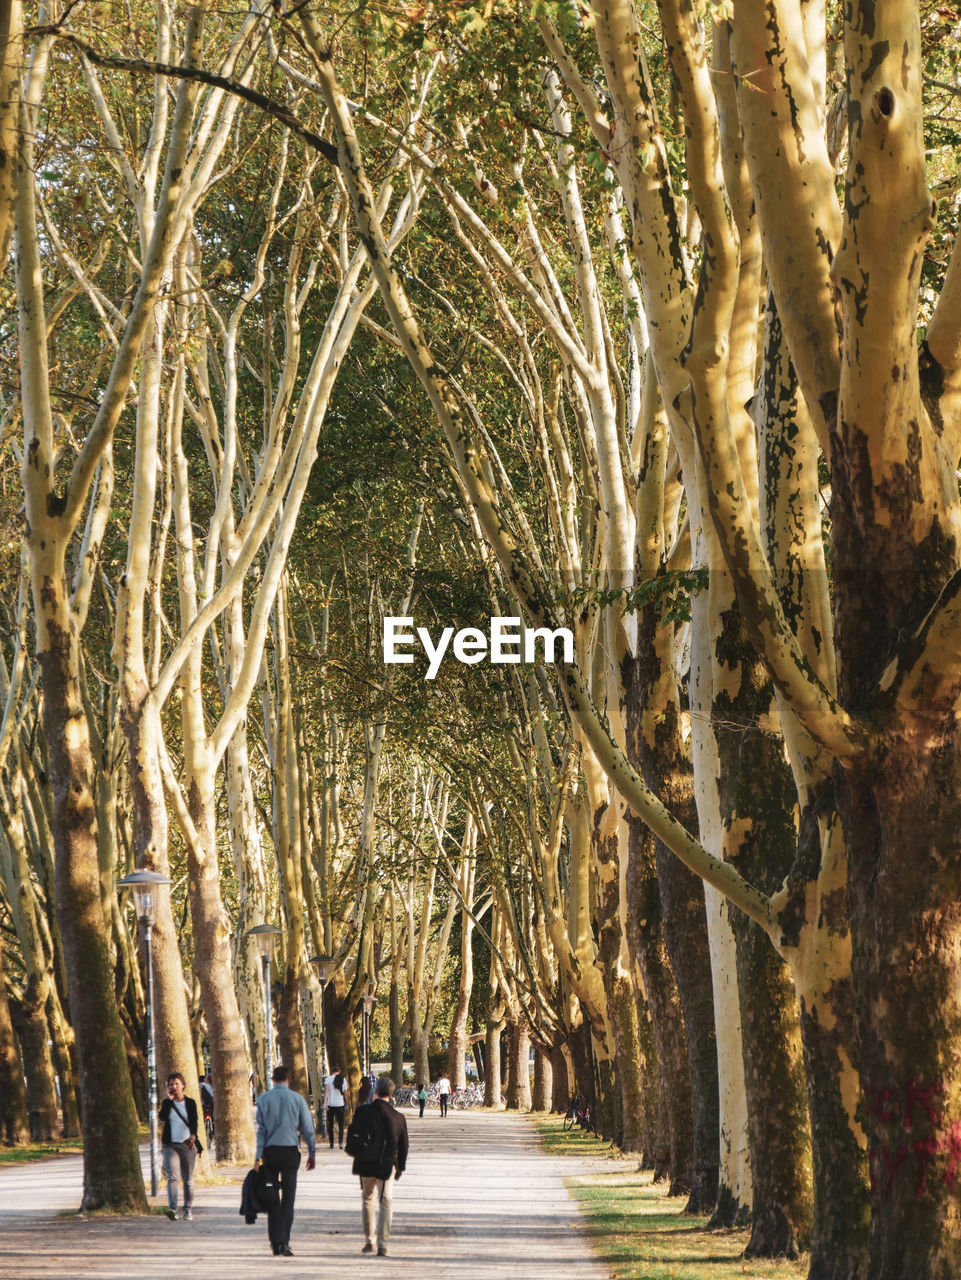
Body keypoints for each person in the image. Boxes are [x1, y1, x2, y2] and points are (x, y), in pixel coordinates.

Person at [254, 1064, 316, 1257]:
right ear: (289, 1080)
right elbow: (307, 1129)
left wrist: (257, 1157)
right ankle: (285, 1242)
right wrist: (312, 1153)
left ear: (273, 1079)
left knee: (273, 1199)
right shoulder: (297, 1099)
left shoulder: (263, 1099)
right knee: (288, 1199)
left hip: (270, 1154)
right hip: (289, 1153)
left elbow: (261, 1131)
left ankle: (275, 1242)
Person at [351, 1075, 408, 1258]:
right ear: (391, 1095)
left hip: (366, 1163)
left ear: (375, 1092)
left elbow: (354, 1134)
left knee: (367, 1198)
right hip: (386, 1163)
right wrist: (401, 1166)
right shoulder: (397, 1117)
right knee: (386, 1201)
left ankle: (370, 1240)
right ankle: (383, 1244)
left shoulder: (363, 1111)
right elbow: (404, 1145)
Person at [159, 1071, 201, 1221]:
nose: (173, 1086)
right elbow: (162, 1117)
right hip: (170, 1145)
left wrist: (194, 1134)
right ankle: (172, 1208)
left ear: (183, 1085)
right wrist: (168, 1101)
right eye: (171, 1084)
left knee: (188, 1179)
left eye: (176, 1083)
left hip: (186, 1144)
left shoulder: (190, 1103)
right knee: (172, 1177)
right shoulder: (167, 1103)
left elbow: (194, 1120)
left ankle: (188, 1210)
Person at [323, 1065, 349, 1149]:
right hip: (340, 1104)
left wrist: (325, 1103)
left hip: (330, 1104)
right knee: (341, 1125)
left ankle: (331, 1144)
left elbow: (326, 1092)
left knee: (330, 1125)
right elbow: (345, 1093)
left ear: (331, 1071)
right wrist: (347, 1104)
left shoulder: (328, 1079)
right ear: (339, 1071)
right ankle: (340, 1142)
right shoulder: (343, 1079)